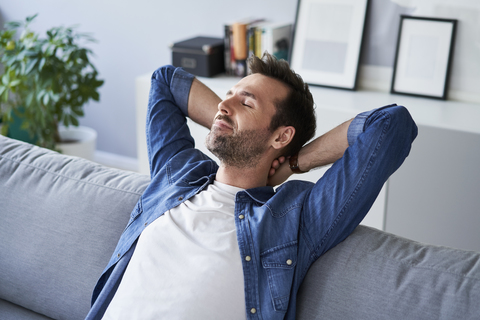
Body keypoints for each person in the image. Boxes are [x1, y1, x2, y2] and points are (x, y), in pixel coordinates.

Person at [86, 52, 417, 320]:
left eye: (247, 103)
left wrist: (296, 161)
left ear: (281, 135)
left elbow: (391, 125)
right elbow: (165, 81)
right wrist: (230, 114)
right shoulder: (177, 172)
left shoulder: (294, 218)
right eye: (227, 95)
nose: (222, 105)